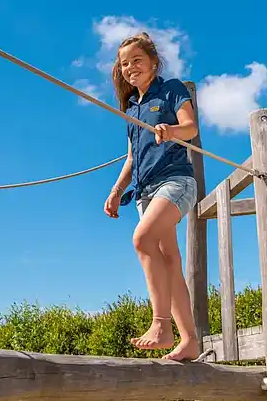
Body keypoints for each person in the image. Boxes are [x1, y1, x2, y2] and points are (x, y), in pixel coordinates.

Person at [103, 32, 200, 361]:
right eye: (124, 63)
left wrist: (172, 131)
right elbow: (131, 158)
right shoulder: (132, 108)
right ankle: (190, 340)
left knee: (142, 239)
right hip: (145, 191)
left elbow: (190, 128)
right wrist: (116, 192)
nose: (130, 67)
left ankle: (161, 326)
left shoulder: (171, 89)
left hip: (175, 181)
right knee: (170, 261)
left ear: (154, 63)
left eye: (137, 60)